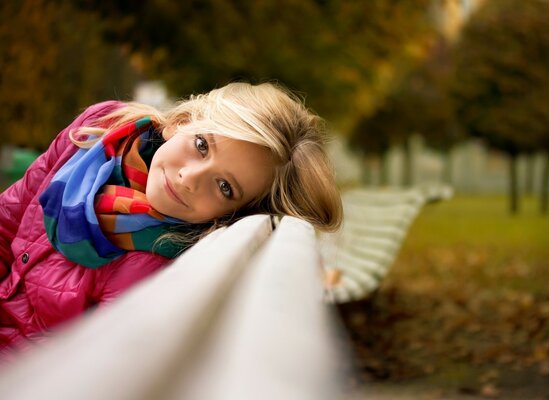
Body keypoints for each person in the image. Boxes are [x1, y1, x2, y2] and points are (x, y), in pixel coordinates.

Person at [0, 82, 343, 354]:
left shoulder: (154, 264)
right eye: (202, 146)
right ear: (182, 122)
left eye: (225, 187)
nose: (190, 178)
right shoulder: (101, 129)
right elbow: (8, 219)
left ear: (234, 212)